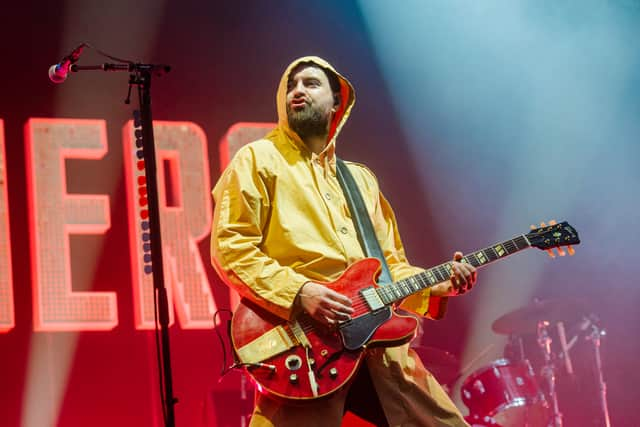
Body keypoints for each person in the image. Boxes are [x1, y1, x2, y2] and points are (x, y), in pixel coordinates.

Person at [211, 56, 477, 427]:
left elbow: (389, 267)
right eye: (291, 85)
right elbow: (232, 248)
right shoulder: (257, 160)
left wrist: (438, 285)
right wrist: (301, 292)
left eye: (311, 84)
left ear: (338, 103)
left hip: (381, 350)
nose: (298, 91)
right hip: (307, 348)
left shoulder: (361, 180)